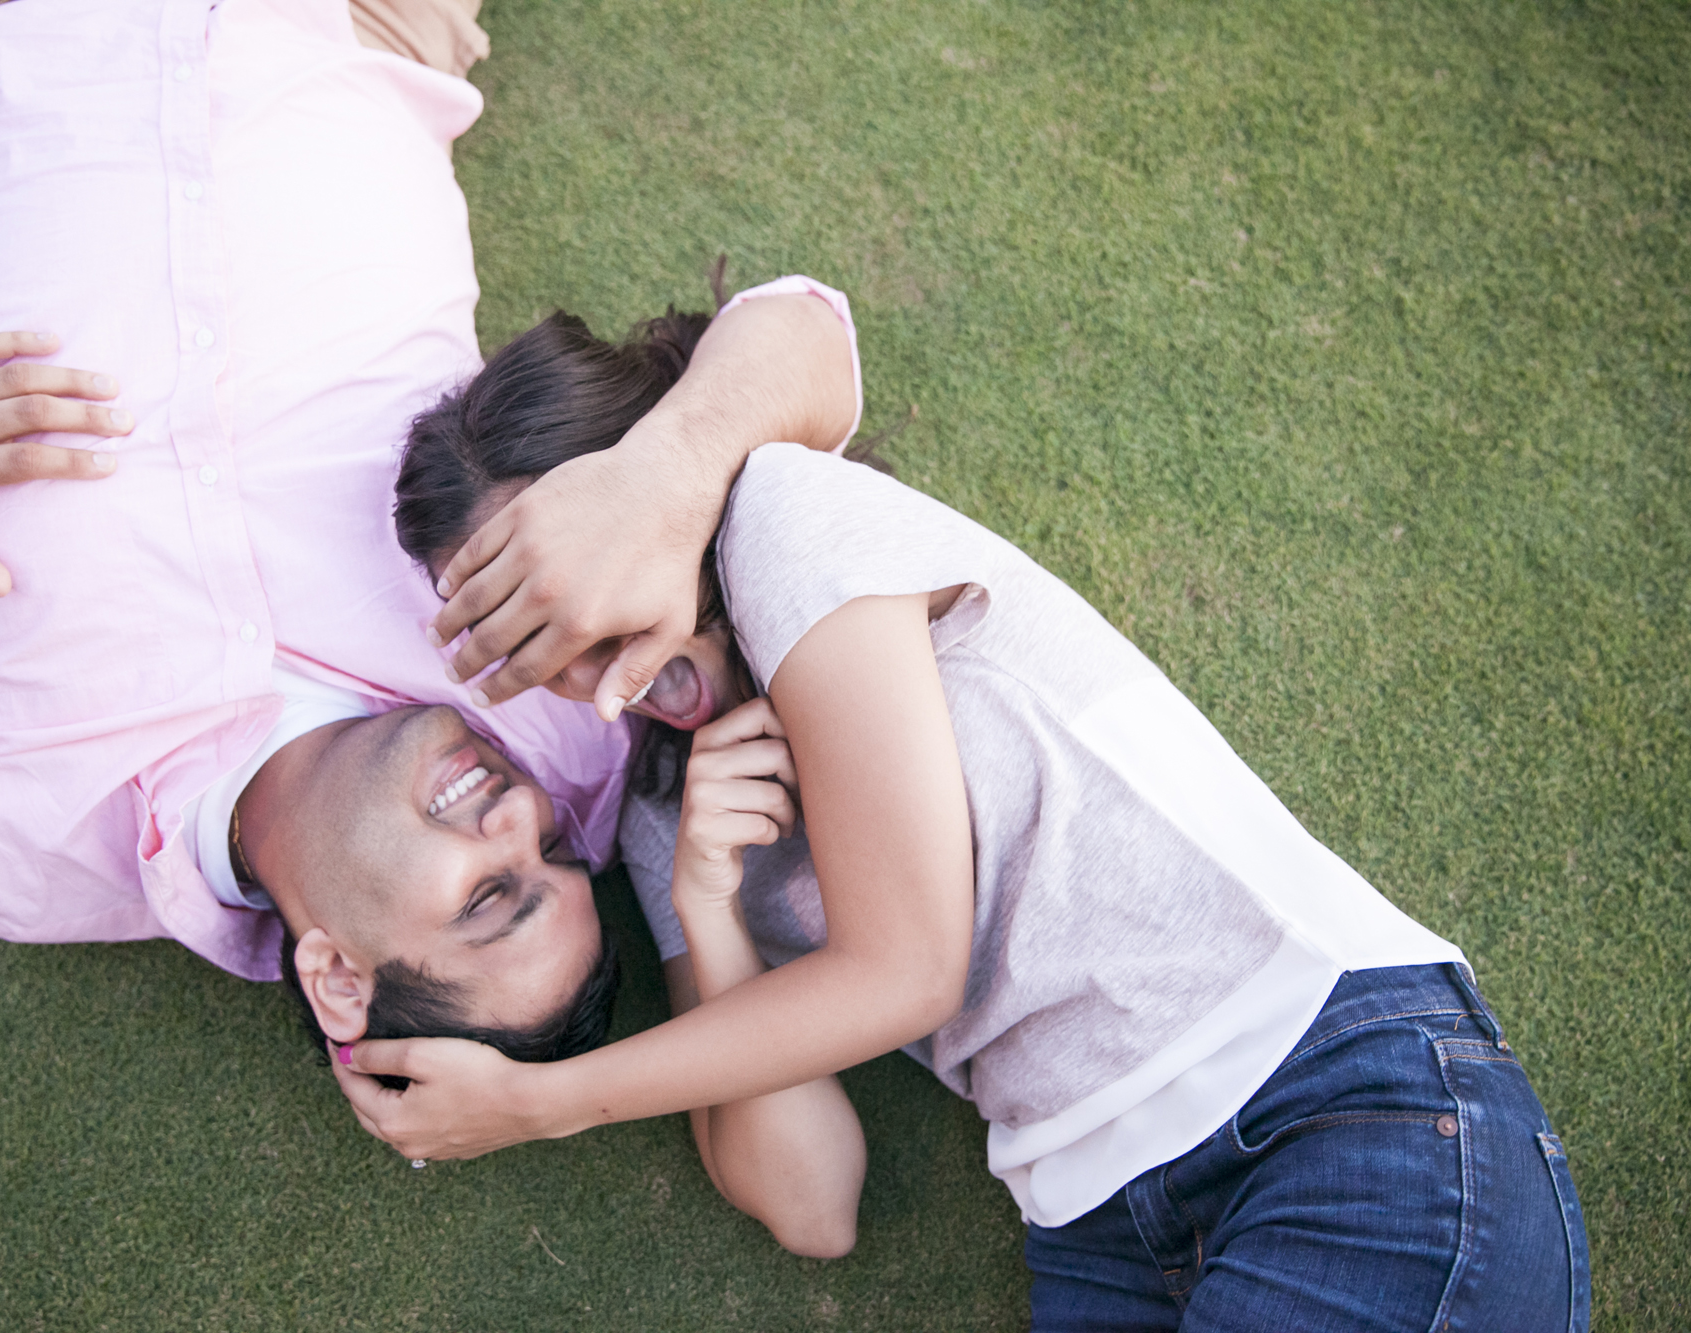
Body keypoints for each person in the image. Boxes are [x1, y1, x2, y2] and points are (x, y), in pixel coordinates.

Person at [336, 308, 1593, 1330]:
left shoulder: (789, 522)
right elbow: (810, 1203)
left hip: (1326, 1100)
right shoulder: (669, 811)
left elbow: (906, 968)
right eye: (512, 637)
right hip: (1099, 1224)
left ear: (639, 504)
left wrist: (542, 1103)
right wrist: (708, 905)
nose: (568, 663)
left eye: (551, 591)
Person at [0, 0, 861, 1055]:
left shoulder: (23, 850)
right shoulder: (566, 701)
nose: (522, 818)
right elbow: (802, 336)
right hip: (354, 27)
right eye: (556, 855)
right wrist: (668, 476)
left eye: (491, 895)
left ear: (337, 974)